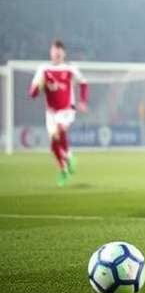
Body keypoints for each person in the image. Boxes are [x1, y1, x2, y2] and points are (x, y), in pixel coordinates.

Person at [29, 39, 88, 187]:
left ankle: (68, 156)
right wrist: (37, 88)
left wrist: (83, 101)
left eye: (59, 51)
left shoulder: (70, 68)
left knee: (61, 130)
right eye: (54, 50)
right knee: (53, 145)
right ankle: (64, 169)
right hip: (51, 112)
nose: (57, 53)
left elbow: (84, 82)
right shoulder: (43, 69)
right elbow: (33, 92)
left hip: (67, 108)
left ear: (64, 54)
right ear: (51, 52)